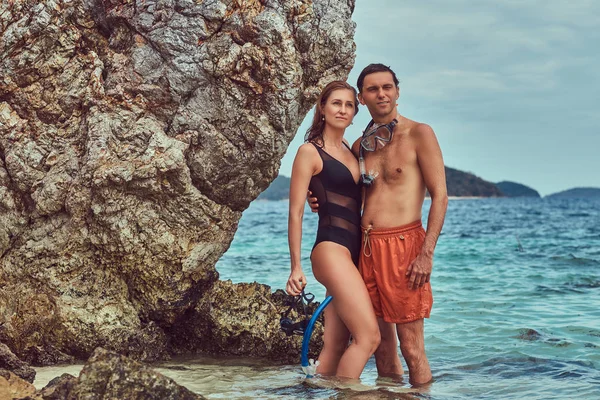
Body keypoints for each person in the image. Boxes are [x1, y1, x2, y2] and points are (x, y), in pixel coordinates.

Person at [309, 64, 448, 385]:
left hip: (404, 247)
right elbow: (345, 194)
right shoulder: (359, 147)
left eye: (387, 87)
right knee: (381, 348)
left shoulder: (419, 134)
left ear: (397, 91)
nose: (381, 94)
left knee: (412, 349)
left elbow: (440, 197)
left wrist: (426, 254)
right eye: (372, 89)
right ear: (361, 98)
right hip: (365, 248)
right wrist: (314, 200)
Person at [285, 80, 380, 380]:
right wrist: (296, 267)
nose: (343, 109)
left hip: (351, 254)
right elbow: (296, 211)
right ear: (323, 109)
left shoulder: (353, 154)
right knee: (369, 338)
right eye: (336, 103)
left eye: (349, 105)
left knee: (337, 343)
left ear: (354, 114)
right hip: (330, 250)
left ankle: (316, 389)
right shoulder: (309, 152)